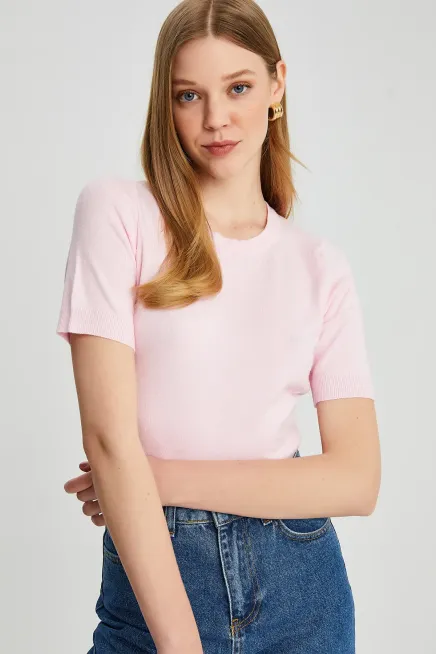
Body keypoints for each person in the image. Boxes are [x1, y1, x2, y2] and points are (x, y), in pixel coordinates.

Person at [57, 1, 381, 652]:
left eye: (238, 87)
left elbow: (356, 479)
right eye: (189, 95)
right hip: (152, 587)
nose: (215, 119)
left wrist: (154, 481)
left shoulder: (319, 265)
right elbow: (109, 441)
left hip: (302, 594)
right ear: (166, 101)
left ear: (277, 84)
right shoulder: (119, 213)